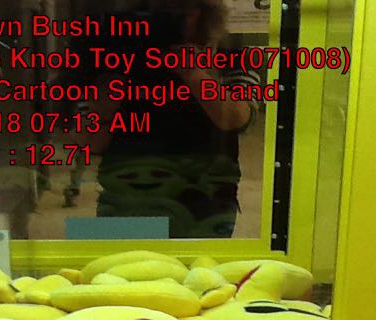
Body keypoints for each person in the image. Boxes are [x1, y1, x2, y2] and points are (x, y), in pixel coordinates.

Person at [72, 0, 261, 238]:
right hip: (126, 200)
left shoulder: (227, 54)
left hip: (204, 204)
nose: (168, 21)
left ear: (205, 12)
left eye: (181, 10)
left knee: (198, 263)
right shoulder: (114, 59)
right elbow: (88, 142)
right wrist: (108, 96)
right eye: (159, 12)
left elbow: (237, 119)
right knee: (123, 261)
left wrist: (195, 74)